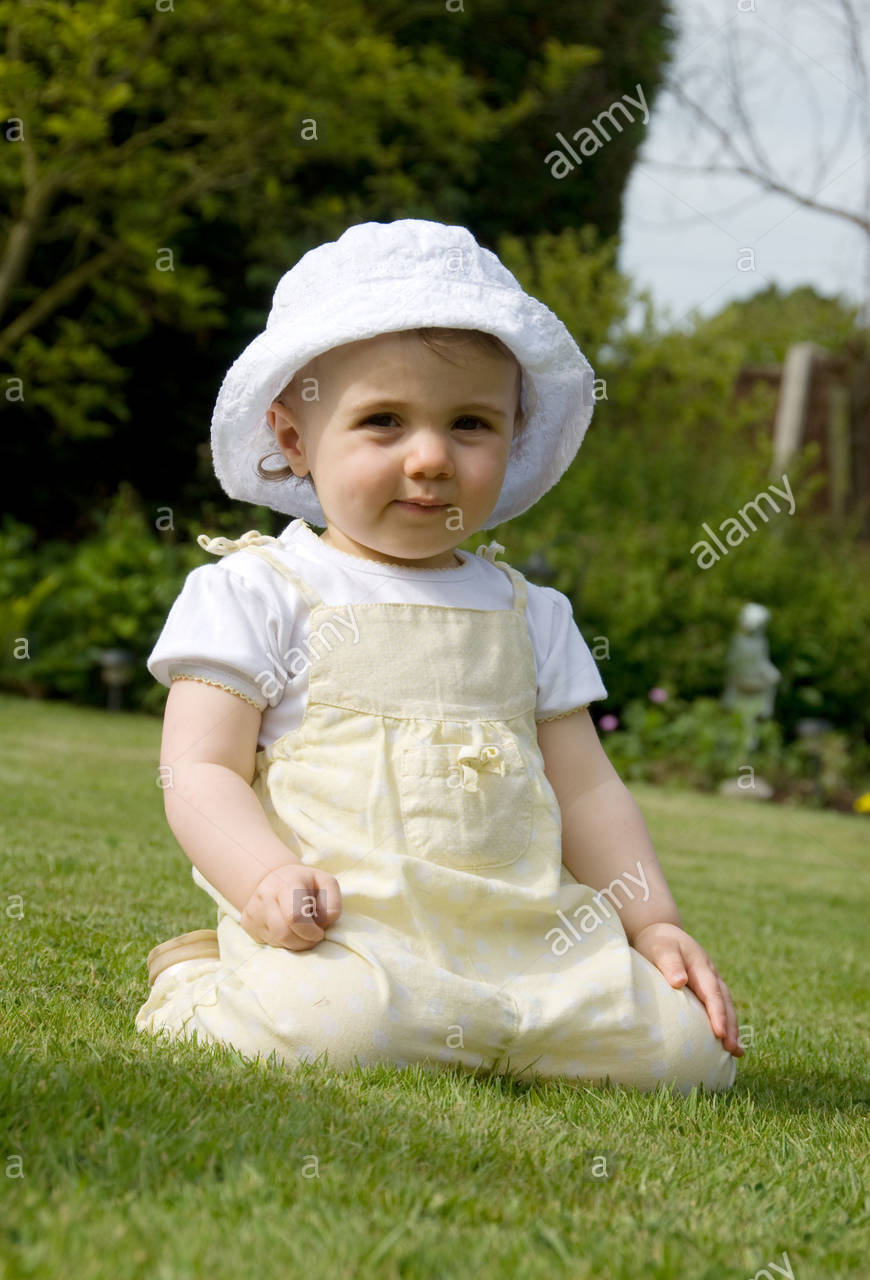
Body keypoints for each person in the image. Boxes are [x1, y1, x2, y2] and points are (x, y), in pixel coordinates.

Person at [135, 218, 743, 1093]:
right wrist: (266, 877)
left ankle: (515, 1021)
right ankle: (201, 985)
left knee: (688, 1054)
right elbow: (197, 771)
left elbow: (586, 788)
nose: (430, 459)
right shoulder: (261, 591)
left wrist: (651, 922)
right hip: (350, 933)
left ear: (515, 435)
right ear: (295, 438)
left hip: (533, 944)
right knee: (337, 1024)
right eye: (383, 421)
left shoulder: (530, 613)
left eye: (470, 424)